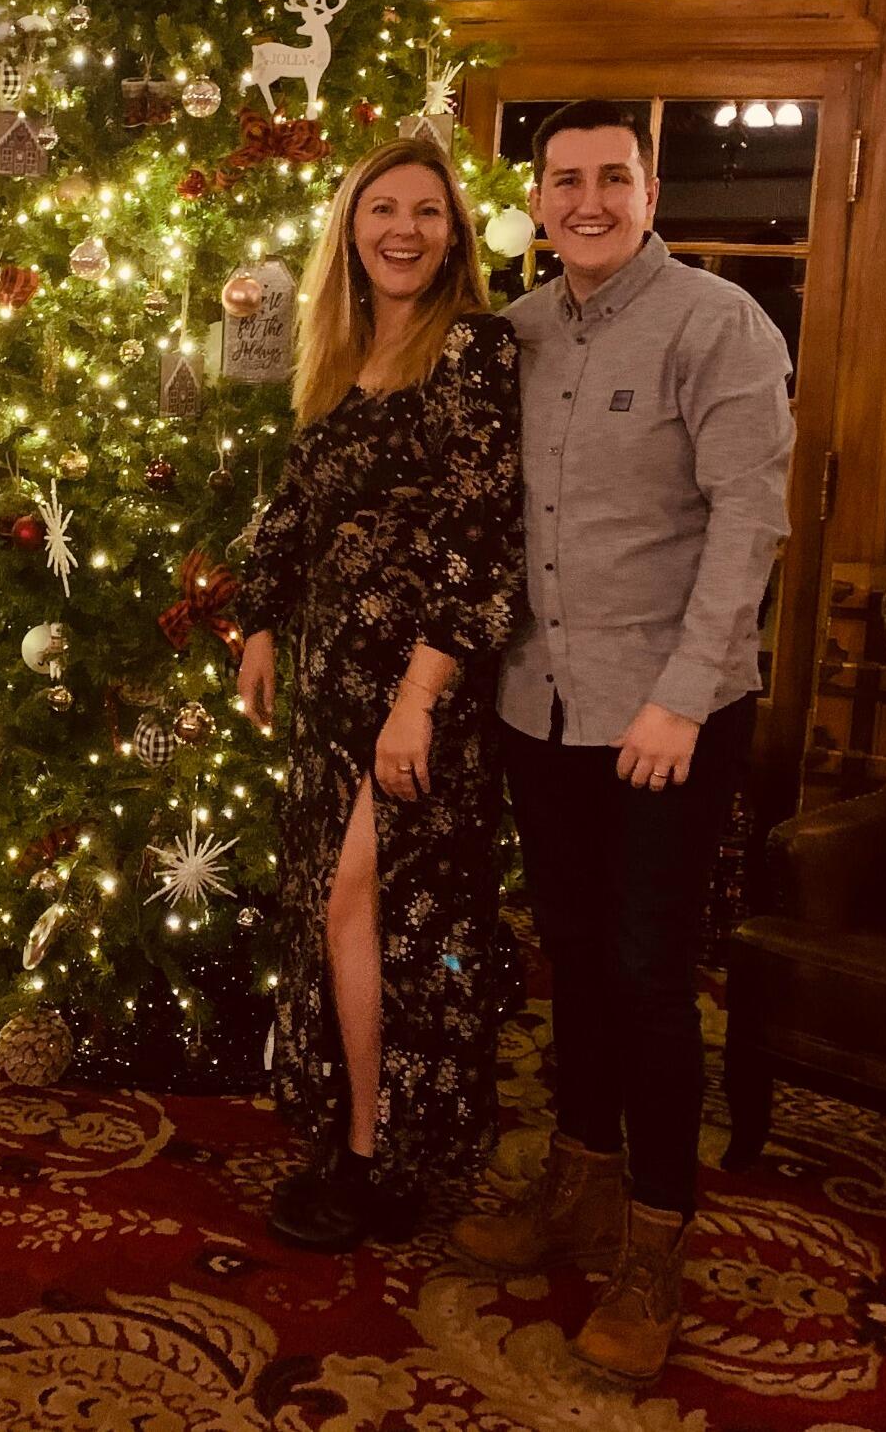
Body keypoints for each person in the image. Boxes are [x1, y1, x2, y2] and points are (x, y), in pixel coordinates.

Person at [452, 98, 793, 1388]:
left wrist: (679, 698)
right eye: (562, 180)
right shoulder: (518, 335)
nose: (584, 199)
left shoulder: (720, 326)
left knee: (653, 977)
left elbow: (746, 524)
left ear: (650, 192)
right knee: (575, 960)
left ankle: (656, 1239)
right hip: (540, 707)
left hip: (668, 717)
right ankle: (575, 1183)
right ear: (535, 201)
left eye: (610, 177)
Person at [233, 137, 526, 1252]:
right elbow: (295, 509)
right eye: (381, 209)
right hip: (328, 687)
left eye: (426, 212)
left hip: (420, 693)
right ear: (350, 231)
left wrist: (419, 699)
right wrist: (260, 616)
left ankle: (381, 1154)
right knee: (336, 910)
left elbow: (477, 534)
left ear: (452, 235)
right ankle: (349, 1129)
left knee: (380, 912)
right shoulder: (343, 354)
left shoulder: (475, 351)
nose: (402, 229)